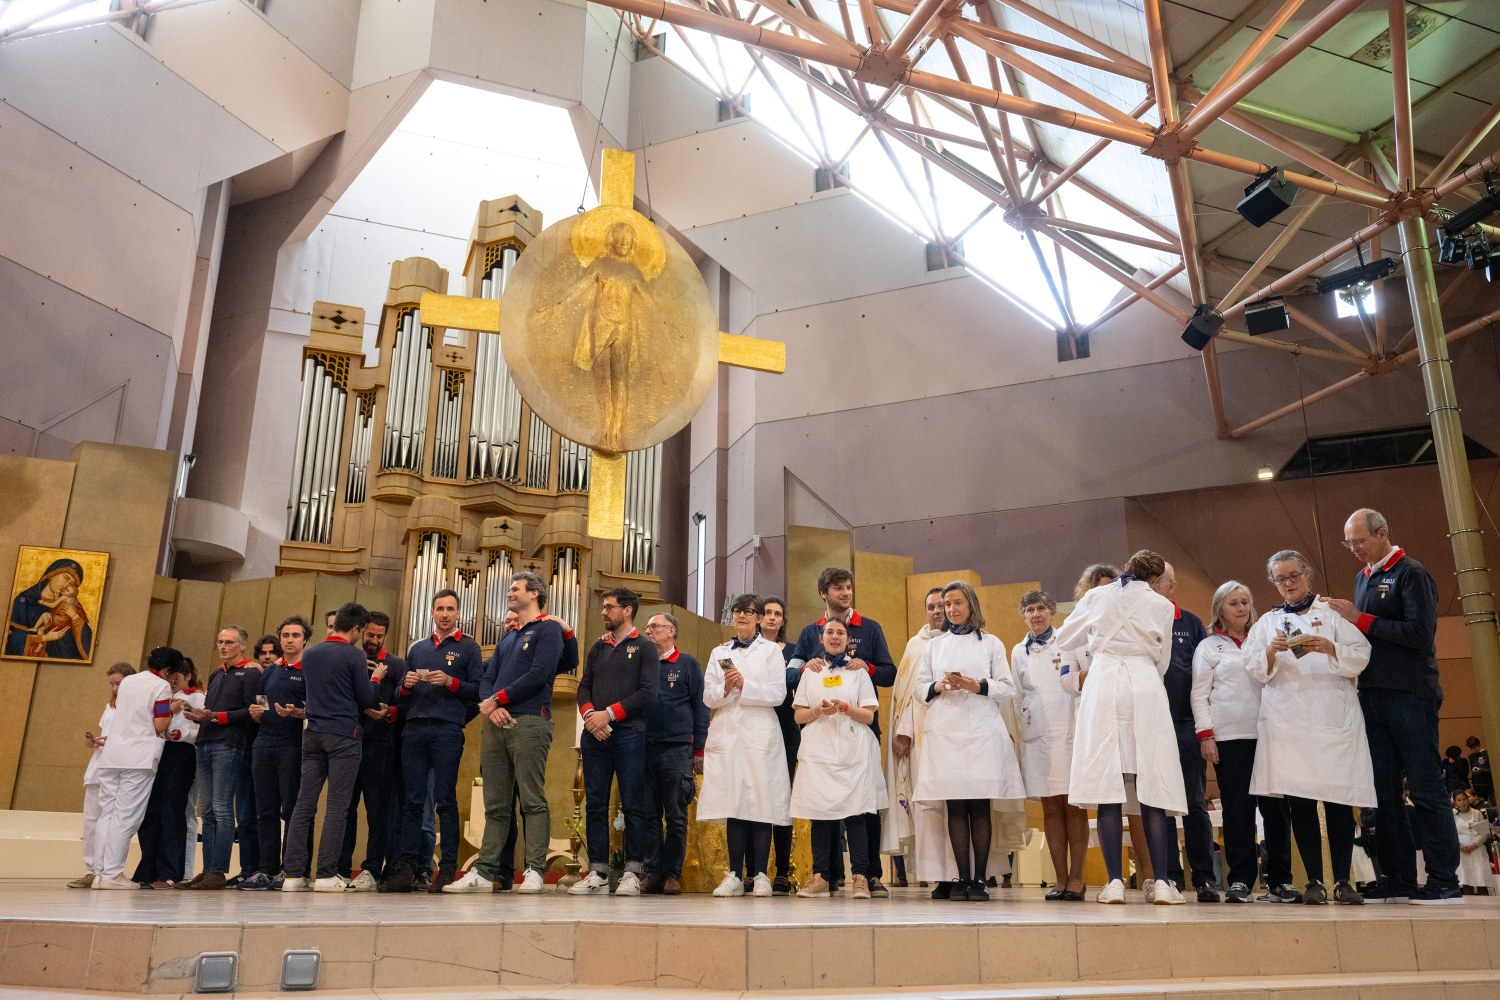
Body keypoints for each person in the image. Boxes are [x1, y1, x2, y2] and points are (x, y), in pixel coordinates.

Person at [1327, 508, 1463, 905]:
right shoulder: (1363, 577)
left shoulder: (1411, 573)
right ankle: (1399, 877)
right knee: (1382, 792)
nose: (1354, 548)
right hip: (1372, 694)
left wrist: (1360, 619)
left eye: (1359, 541)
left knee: (1424, 787)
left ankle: (1444, 879)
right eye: (1348, 543)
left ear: (1382, 532)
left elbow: (1419, 634)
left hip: (1410, 693)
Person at [1056, 549, 1188, 905]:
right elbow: (1162, 661)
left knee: (1107, 783)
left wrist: (1100, 641)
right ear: (1156, 579)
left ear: (1127, 568)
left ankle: (1114, 882)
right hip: (1144, 684)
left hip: (1103, 683)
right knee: (1153, 782)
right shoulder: (1162, 604)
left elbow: (1065, 639)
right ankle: (1162, 883)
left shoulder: (1097, 596)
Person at [1245, 550, 1373, 906]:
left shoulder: (1332, 612)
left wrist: (1331, 647)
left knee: (1338, 801)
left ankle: (1343, 881)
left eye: (1293, 576)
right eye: (1280, 579)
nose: (1288, 583)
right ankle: (1315, 880)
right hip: (1288, 722)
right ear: (1273, 582)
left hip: (1332, 718)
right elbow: (1252, 666)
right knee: (1300, 802)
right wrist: (1270, 652)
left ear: (1307, 574)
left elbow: (1361, 653)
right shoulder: (1267, 622)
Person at [447, 573, 568, 895]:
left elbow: (539, 674)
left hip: (529, 721)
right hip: (495, 723)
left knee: (532, 800)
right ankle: (486, 871)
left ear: (534, 593)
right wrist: (490, 707)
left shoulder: (547, 630)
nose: (509, 593)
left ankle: (535, 870)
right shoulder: (509, 638)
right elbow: (487, 677)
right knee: (496, 804)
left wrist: (498, 699)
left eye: (515, 589)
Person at [911, 581, 1025, 902]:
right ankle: (961, 877)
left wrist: (978, 686)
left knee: (979, 806)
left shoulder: (991, 643)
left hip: (981, 732)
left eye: (957, 603)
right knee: (956, 806)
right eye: (947, 604)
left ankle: (980, 880)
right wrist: (939, 685)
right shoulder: (934, 647)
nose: (951, 609)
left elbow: (1008, 687)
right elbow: (919, 689)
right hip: (946, 732)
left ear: (971, 605)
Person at [789, 567, 896, 896]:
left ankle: (867, 874)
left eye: (849, 587)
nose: (846, 592)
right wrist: (805, 668)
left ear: (849, 639)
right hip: (821, 741)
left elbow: (889, 673)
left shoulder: (870, 629)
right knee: (823, 810)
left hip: (857, 737)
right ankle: (826, 874)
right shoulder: (808, 635)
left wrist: (868, 667)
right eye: (838, 588)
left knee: (862, 808)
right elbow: (791, 675)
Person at [1190, 581, 1295, 904]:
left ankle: (1280, 880)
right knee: (1237, 811)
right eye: (1233, 603)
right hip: (1230, 737)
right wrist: (1206, 735)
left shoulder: (1265, 640)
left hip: (1268, 733)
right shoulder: (1209, 647)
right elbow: (1199, 695)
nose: (1241, 608)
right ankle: (1240, 880)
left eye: (1245, 602)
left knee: (1275, 811)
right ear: (1220, 608)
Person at [380, 590, 483, 893]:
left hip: (447, 730)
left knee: (445, 800)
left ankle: (448, 869)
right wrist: (406, 685)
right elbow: (399, 696)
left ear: (458, 614)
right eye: (440, 608)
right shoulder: (418, 648)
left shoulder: (469, 647)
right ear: (432, 613)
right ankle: (407, 868)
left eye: (450, 609)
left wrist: (451, 682)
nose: (445, 614)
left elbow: (479, 692)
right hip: (414, 729)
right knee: (413, 802)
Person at [281, 602, 381, 891]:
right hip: (343, 736)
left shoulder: (310, 653)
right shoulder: (354, 654)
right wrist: (376, 678)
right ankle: (326, 874)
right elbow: (367, 699)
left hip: (312, 733)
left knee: (303, 805)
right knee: (337, 806)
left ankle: (293, 876)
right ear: (357, 629)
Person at [699, 594, 791, 896]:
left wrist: (744, 685)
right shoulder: (720, 651)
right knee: (734, 800)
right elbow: (708, 696)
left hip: (760, 731)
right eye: (737, 611)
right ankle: (735, 875)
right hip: (729, 730)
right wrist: (725, 689)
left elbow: (778, 694)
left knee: (760, 800)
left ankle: (761, 874)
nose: (741, 615)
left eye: (749, 611)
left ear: (759, 618)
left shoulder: (771, 651)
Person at [570, 587, 658, 896]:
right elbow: (584, 687)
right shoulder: (598, 647)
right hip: (595, 734)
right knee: (595, 804)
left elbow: (647, 693)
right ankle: (598, 872)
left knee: (633, 804)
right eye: (604, 607)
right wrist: (591, 717)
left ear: (627, 610)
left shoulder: (645, 648)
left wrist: (607, 715)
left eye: (609, 607)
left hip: (630, 733)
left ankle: (632, 872)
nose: (603, 611)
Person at [1011, 590, 1087, 901]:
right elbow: (1017, 696)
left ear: (1052, 612)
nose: (1036, 614)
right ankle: (1060, 878)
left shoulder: (1067, 640)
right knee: (1051, 808)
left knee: (1074, 806)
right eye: (1030, 609)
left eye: (1041, 608)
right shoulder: (1018, 651)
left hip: (1068, 730)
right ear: (1024, 616)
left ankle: (1078, 877)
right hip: (1038, 737)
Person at [91, 651, 181, 888]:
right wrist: (173, 710)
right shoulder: (161, 686)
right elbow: (159, 724)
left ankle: (98, 873)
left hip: (112, 755)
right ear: (168, 670)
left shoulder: (128, 681)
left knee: (106, 813)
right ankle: (112, 874)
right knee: (126, 815)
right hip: (138, 757)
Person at [179, 625, 259, 890]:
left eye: (229, 642)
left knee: (222, 808)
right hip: (206, 741)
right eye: (220, 642)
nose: (223, 646)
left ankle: (218, 871)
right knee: (208, 810)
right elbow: (212, 710)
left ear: (242, 646)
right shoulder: (216, 673)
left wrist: (217, 717)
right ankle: (207, 869)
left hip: (229, 743)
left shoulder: (250, 673)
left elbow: (253, 711)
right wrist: (200, 716)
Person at [1151, 563, 1214, 900]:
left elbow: (1204, 677)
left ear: (1172, 586)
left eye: (1157, 581)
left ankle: (1204, 878)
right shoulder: (1139, 620)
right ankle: (1169, 877)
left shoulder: (1190, 623)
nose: (1151, 586)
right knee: (1159, 804)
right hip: (1152, 725)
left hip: (1186, 724)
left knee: (1194, 803)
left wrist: (1205, 728)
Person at [240, 616, 312, 891]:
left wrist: (297, 712)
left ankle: (294, 870)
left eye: (295, 635)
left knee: (293, 810)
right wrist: (255, 713)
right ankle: (267, 869)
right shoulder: (269, 672)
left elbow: (316, 708)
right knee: (265, 810)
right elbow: (262, 705)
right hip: (264, 743)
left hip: (293, 744)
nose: (289, 640)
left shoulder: (309, 671)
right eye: (285, 635)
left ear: (305, 640)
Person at [640, 611, 708, 895]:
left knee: (676, 815)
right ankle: (652, 872)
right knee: (649, 815)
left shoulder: (688, 664)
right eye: (647, 627)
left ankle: (672, 875)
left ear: (671, 631)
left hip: (678, 749)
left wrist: (699, 750)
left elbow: (700, 708)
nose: (648, 631)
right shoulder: (642, 663)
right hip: (644, 747)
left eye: (654, 627)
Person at [887, 588, 945, 894]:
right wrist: (904, 732)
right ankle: (932, 871)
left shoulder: (965, 642)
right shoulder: (916, 645)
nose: (937, 611)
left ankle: (959, 871)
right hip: (921, 738)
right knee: (925, 805)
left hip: (954, 738)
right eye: (931, 606)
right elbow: (906, 695)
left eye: (942, 605)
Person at [339, 611, 401, 890]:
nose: (373, 640)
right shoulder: (350, 660)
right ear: (361, 632)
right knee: (345, 810)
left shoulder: (396, 665)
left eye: (379, 636)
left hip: (381, 747)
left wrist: (391, 712)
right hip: (348, 743)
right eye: (370, 635)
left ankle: (372, 869)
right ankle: (341, 869)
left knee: (378, 813)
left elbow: (405, 702)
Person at [133, 649, 203, 888]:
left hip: (181, 753)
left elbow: (199, 730)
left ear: (188, 676)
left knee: (172, 811)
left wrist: (180, 732)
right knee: (150, 811)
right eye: (171, 678)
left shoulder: (198, 697)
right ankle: (148, 868)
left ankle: (170, 871)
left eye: (177, 678)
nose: (173, 682)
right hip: (157, 750)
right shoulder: (161, 692)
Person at [71, 663, 133, 888]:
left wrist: (107, 741)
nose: (115, 688)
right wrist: (96, 741)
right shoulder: (110, 706)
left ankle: (106, 870)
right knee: (91, 821)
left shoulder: (134, 706)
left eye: (119, 683)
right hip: (99, 765)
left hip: (118, 765)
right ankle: (91, 870)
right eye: (112, 684)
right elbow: (107, 733)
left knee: (111, 820)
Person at [760, 596, 799, 895]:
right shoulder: (745, 649)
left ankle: (783, 872)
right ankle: (754, 870)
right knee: (756, 799)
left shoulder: (794, 651)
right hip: (755, 730)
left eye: (778, 614)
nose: (772, 617)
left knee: (782, 800)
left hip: (786, 730)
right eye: (767, 612)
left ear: (783, 620)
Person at [5, 556, 93, 660]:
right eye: (65, 578)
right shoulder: (24, 601)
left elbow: (85, 644)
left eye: (71, 584)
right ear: (52, 574)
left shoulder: (68, 606)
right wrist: (44, 638)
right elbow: (10, 638)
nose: (66, 585)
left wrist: (75, 617)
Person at [1452, 790, 1492, 894]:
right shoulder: (1453, 814)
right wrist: (1460, 846)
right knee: (1466, 880)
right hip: (1461, 850)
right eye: (1459, 800)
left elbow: (1484, 833)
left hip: (1477, 849)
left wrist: (1475, 845)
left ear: (1468, 800)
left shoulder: (1477, 813)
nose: (1462, 802)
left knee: (1480, 878)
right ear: (1455, 802)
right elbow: (1451, 833)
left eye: (1464, 799)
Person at [1468, 736, 1493, 804]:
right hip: (1477, 783)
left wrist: (1481, 770)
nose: (1473, 750)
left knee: (1493, 802)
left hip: (1489, 782)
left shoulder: (1487, 753)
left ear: (1479, 745)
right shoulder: (1471, 756)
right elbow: (1473, 768)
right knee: (1480, 803)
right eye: (1471, 749)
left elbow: (1493, 769)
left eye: (1475, 748)